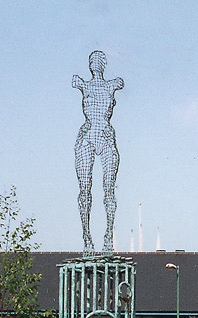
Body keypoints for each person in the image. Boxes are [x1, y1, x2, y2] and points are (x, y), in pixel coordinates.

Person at [73, 50, 124, 255]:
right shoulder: (82, 84)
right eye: (92, 61)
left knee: (109, 189)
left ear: (103, 65)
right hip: (87, 136)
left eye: (99, 61)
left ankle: (108, 236)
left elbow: (120, 83)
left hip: (105, 136)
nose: (95, 63)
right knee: (85, 189)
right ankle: (87, 236)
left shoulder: (111, 84)